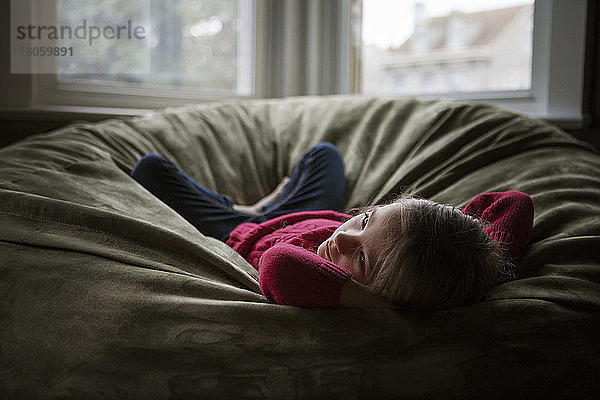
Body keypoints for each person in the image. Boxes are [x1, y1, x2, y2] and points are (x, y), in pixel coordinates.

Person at [130, 143, 534, 310]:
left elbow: (278, 263)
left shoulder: (324, 288)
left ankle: (248, 208)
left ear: (382, 295)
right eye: (365, 219)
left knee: (149, 168)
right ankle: (268, 202)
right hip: (311, 211)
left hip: (239, 232)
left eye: (362, 258)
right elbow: (514, 202)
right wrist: (487, 256)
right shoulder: (435, 251)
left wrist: (368, 304)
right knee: (325, 153)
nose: (341, 237)